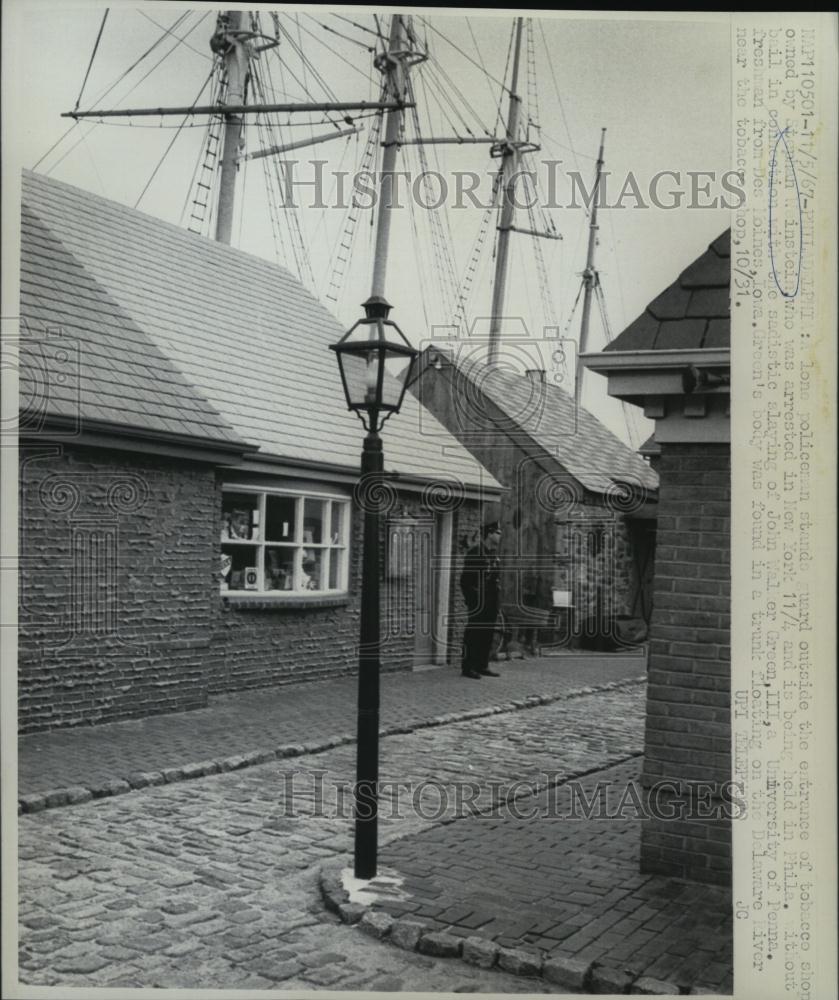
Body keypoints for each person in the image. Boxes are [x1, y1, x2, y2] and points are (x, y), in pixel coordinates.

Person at [459, 520, 502, 679]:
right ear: (489, 534)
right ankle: (468, 667)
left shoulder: (493, 555)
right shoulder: (476, 553)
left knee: (487, 634)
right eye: (497, 533)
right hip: (478, 601)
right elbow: (465, 581)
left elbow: (496, 580)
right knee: (473, 635)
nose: (500, 536)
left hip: (491, 601)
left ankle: (482, 665)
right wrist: (473, 601)